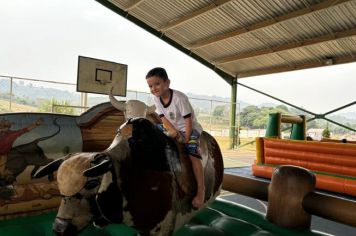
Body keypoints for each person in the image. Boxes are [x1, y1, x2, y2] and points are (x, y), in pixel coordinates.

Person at [146, 67, 205, 209]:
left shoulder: (179, 98)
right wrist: (173, 132)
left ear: (167, 83)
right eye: (150, 86)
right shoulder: (156, 98)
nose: (154, 88)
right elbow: (162, 118)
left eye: (157, 84)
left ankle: (201, 190)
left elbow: (188, 120)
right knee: (150, 132)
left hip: (189, 128)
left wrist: (185, 138)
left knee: (192, 153)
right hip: (173, 128)